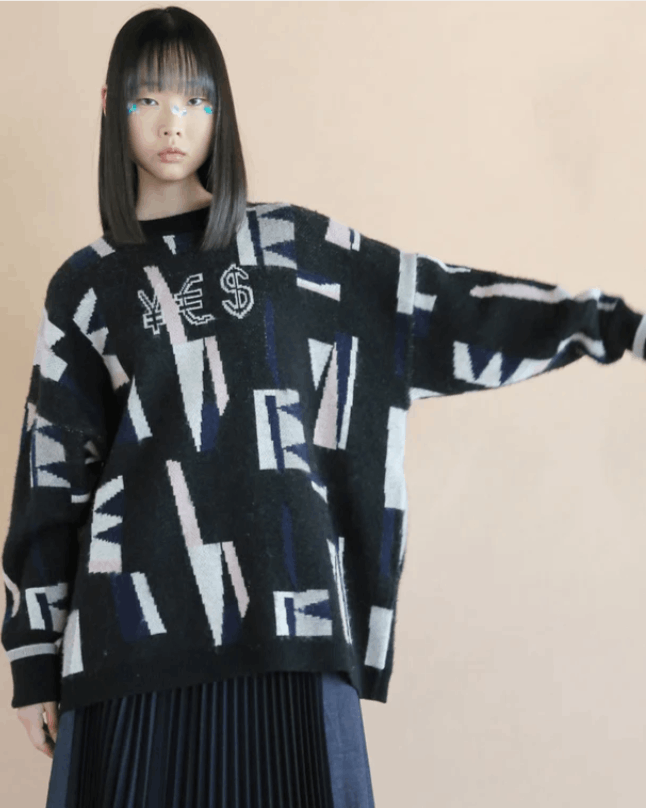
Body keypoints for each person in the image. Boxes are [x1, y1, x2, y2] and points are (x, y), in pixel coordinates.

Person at [3, 5, 646, 808]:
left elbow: (438, 309)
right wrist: (32, 657)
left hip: (289, 626)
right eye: (149, 98)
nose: (174, 122)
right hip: (130, 638)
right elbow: (51, 475)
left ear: (221, 109)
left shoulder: (293, 251)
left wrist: (609, 324)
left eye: (197, 99)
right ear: (110, 104)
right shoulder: (86, 285)